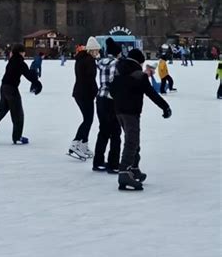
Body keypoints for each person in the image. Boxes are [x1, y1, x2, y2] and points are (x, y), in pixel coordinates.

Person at [109, 48, 171, 190]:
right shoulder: (139, 75)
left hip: (118, 111)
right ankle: (124, 171)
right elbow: (151, 94)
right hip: (131, 112)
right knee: (132, 141)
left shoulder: (118, 71)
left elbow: (112, 90)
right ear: (140, 61)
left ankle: (134, 168)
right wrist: (165, 107)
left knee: (133, 140)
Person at [0, 43, 42, 144]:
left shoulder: (11, 61)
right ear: (21, 52)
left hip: (4, 87)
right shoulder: (19, 62)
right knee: (18, 113)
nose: (24, 54)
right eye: (24, 52)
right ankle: (17, 137)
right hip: (11, 89)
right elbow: (28, 74)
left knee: (2, 111)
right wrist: (37, 83)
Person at [68, 36, 100, 160]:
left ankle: (83, 144)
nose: (98, 52)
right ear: (91, 50)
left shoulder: (81, 59)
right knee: (87, 120)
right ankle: (76, 143)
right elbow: (90, 79)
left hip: (80, 93)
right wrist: (96, 92)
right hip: (85, 93)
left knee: (88, 119)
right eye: (96, 50)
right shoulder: (89, 60)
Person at [92, 37, 121, 173]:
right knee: (115, 132)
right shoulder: (115, 63)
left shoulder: (101, 62)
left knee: (103, 131)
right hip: (111, 99)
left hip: (100, 98)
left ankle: (98, 162)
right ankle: (113, 163)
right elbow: (113, 81)